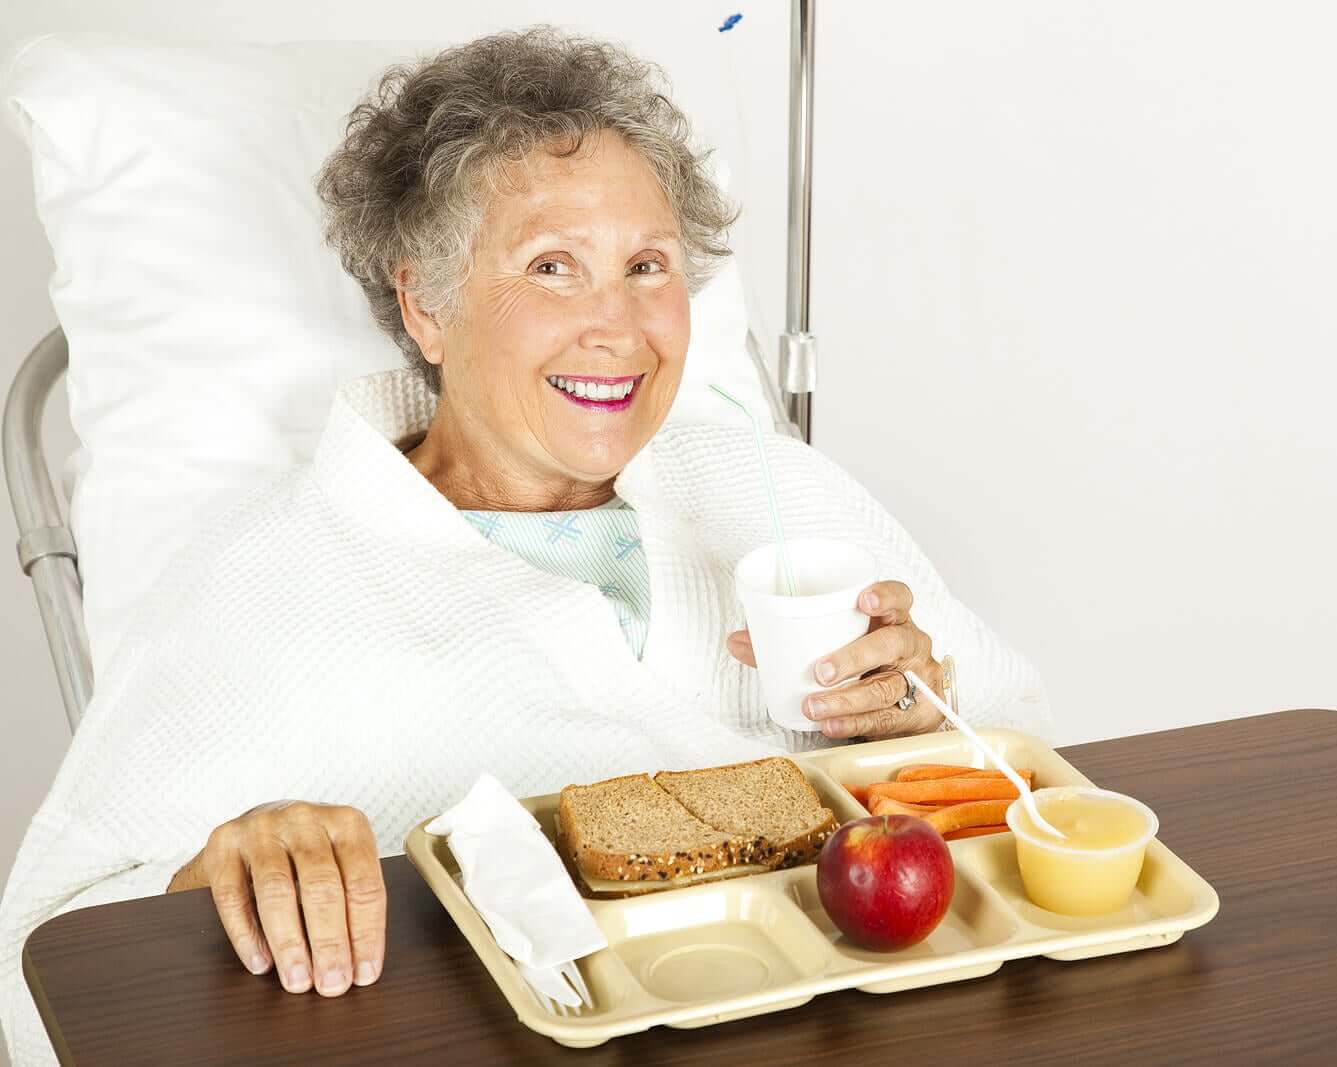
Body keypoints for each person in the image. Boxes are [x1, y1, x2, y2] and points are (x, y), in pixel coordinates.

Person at [0, 28, 1049, 1065]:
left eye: (647, 264)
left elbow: (1037, 780)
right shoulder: (272, 577)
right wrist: (216, 871)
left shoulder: (769, 488)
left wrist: (917, 714)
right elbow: (36, 959)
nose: (618, 324)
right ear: (427, 304)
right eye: (553, 267)